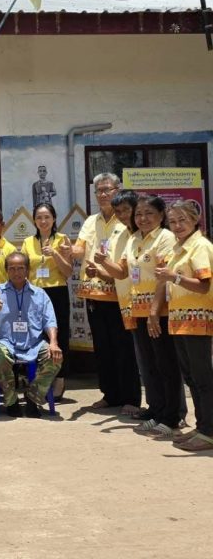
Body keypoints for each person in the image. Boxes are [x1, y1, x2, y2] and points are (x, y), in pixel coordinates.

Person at [95, 195, 182, 437]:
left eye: (149, 214)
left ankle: (172, 417)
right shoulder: (134, 239)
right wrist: (104, 262)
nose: (142, 219)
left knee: (166, 365)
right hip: (139, 311)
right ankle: (157, 411)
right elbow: (122, 272)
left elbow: (164, 277)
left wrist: (154, 312)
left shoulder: (165, 238)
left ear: (161, 216)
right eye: (139, 214)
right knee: (150, 366)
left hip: (160, 312)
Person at [72, 173, 140, 414]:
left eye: (106, 189)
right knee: (102, 348)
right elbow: (79, 250)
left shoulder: (127, 220)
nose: (102, 194)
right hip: (93, 293)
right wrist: (67, 249)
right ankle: (110, 395)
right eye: (98, 190)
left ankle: (131, 398)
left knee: (124, 348)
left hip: (121, 293)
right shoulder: (91, 221)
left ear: (117, 189)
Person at [155, 200, 213, 451]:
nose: (177, 225)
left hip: (198, 320)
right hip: (181, 321)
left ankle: (209, 432)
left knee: (203, 378)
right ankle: (202, 426)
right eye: (173, 221)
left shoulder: (200, 246)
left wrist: (174, 277)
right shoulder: (179, 247)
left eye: (182, 220)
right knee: (191, 377)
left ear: (195, 220)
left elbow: (204, 285)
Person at [0, 252, 63, 418]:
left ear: (27, 270)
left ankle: (33, 398)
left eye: (20, 268)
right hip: (5, 341)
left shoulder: (40, 294)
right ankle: (11, 400)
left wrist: (53, 343)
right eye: (12, 269)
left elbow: (50, 321)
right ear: (6, 271)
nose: (16, 272)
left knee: (55, 357)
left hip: (34, 342)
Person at [21, 203, 73, 399]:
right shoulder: (27, 242)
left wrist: (56, 254)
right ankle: (39, 380)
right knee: (36, 336)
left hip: (57, 292)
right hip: (35, 294)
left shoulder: (62, 239)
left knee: (59, 336)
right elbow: (24, 271)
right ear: (34, 220)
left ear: (54, 218)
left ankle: (59, 379)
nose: (43, 221)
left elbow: (68, 272)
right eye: (39, 217)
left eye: (47, 217)